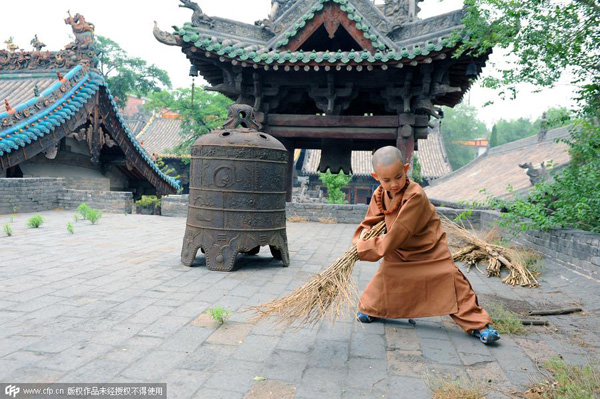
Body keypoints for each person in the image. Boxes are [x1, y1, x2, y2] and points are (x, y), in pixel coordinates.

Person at [353, 146, 499, 344]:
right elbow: (371, 221)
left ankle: (480, 325)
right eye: (386, 180)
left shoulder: (415, 195)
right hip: (399, 252)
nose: (394, 184)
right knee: (385, 279)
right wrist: (361, 238)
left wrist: (364, 249)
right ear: (375, 176)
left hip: (428, 250)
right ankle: (373, 310)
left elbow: (398, 233)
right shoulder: (380, 194)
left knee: (451, 280)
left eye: (398, 176)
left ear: (405, 169)